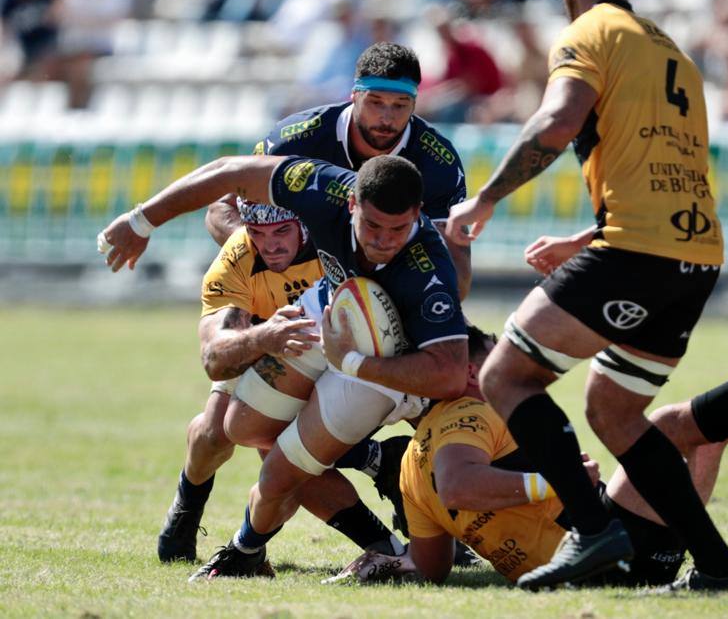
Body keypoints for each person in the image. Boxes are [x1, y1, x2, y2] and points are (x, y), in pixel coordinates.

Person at [445, 0, 728, 591]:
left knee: (505, 377)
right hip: (691, 256)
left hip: (638, 251)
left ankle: (592, 528)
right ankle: (720, 569)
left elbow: (558, 120)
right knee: (614, 408)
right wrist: (589, 236)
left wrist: (483, 200)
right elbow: (662, 165)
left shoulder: (586, 33)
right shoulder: (676, 56)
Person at [345, 243, 728, 589]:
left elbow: (432, 566)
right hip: (606, 555)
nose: (498, 370)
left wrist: (397, 564)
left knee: (698, 437)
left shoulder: (414, 470)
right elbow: (460, 486)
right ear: (464, 373)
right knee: (665, 427)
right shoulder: (467, 411)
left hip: (622, 555)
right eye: (487, 361)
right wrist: (556, 482)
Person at [99, 154, 468, 581]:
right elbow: (231, 174)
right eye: (371, 226)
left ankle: (248, 550)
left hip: (381, 350)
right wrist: (142, 220)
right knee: (234, 428)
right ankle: (376, 461)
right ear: (350, 205)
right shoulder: (312, 199)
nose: (383, 241)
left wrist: (351, 360)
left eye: (397, 229)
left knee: (280, 467)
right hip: (314, 315)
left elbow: (449, 371)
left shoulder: (427, 270)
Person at [157, 198, 404, 566]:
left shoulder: (336, 234)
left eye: (282, 232)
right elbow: (215, 360)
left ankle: (405, 535)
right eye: (258, 233)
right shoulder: (237, 257)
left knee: (285, 458)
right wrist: (263, 337)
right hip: (261, 342)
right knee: (216, 433)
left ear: (303, 223)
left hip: (335, 345)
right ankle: (188, 507)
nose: (270, 245)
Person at [205, 41, 471, 299]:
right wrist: (265, 252)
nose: (387, 118)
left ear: (415, 104)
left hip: (384, 294)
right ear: (354, 95)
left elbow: (457, 280)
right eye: (375, 102)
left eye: (400, 105)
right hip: (290, 290)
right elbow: (221, 209)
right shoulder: (294, 141)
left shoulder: (439, 164)